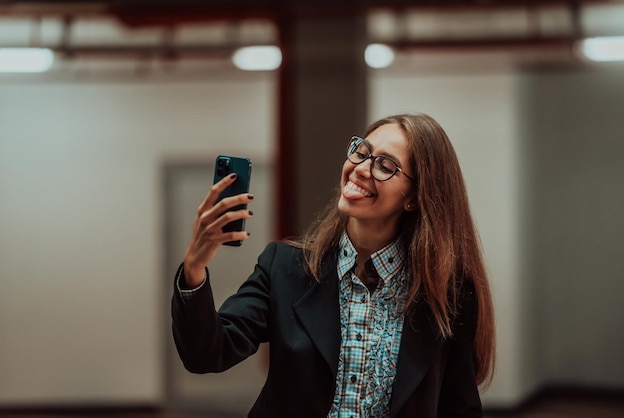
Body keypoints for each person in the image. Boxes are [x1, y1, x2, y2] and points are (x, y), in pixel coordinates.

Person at [171, 113, 496, 417]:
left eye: (385, 165)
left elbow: (459, 407)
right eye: (361, 151)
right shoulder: (285, 268)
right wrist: (194, 267)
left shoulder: (448, 294)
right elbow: (207, 354)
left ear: (413, 196)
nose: (362, 168)